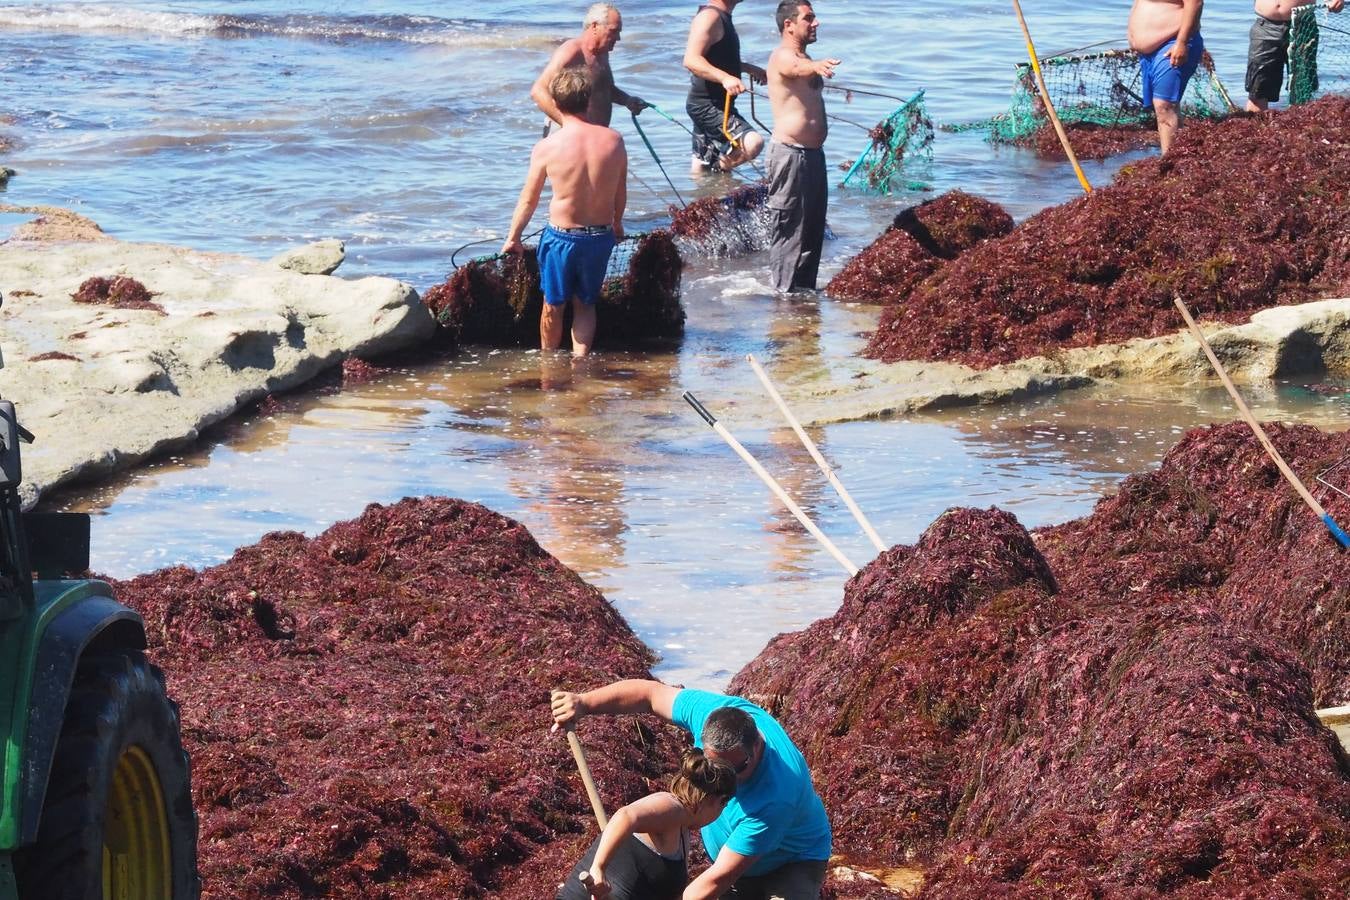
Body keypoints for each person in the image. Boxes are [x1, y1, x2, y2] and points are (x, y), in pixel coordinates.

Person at [551, 681, 832, 899]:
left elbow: (714, 881)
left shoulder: (778, 796)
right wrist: (584, 702)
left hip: (792, 861)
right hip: (729, 861)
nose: (720, 781)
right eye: (710, 768)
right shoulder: (712, 715)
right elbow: (650, 694)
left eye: (732, 771)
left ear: (756, 746)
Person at [502, 66, 627, 357]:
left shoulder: (547, 147)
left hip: (561, 239)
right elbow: (620, 193)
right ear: (588, 101)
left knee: (553, 305)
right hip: (599, 237)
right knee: (585, 304)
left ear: (555, 104)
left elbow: (528, 201)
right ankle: (579, 364)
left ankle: (549, 362)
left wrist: (513, 237)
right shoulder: (614, 140)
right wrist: (617, 225)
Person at [557, 749, 737, 900]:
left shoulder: (683, 828)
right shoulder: (671, 807)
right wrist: (598, 868)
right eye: (724, 806)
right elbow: (626, 816)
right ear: (717, 801)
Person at [765, 1, 839, 294]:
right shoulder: (783, 56)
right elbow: (793, 67)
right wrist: (815, 66)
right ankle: (783, 299)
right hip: (790, 156)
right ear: (789, 25)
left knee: (811, 233)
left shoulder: (803, 56)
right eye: (809, 18)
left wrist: (814, 65)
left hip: (813, 156)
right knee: (789, 232)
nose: (816, 23)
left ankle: (803, 298)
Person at [684, 0, 767, 173]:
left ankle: (709, 191)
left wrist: (746, 67)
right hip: (707, 105)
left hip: (717, 104)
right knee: (753, 143)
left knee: (700, 165)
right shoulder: (709, 16)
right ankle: (716, 173)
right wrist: (725, 78)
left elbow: (718, 58)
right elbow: (691, 60)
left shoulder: (722, 16)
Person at [533, 3, 647, 128]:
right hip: (566, 135)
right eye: (613, 31)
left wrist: (627, 100)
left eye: (619, 32)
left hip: (594, 135)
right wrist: (569, 125)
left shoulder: (602, 53)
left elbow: (604, 89)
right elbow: (538, 91)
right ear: (594, 26)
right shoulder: (571, 51)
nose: (618, 38)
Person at [1126, 0, 1205, 154]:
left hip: (1172, 44)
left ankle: (1169, 163)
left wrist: (1181, 42)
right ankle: (1178, 155)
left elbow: (1195, 4)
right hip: (1149, 52)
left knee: (1164, 105)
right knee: (1165, 107)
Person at [1245, 0, 1344, 112]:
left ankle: (1299, 126)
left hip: (1302, 26)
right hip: (1265, 27)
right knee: (1258, 92)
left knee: (1301, 90)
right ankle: (1257, 126)